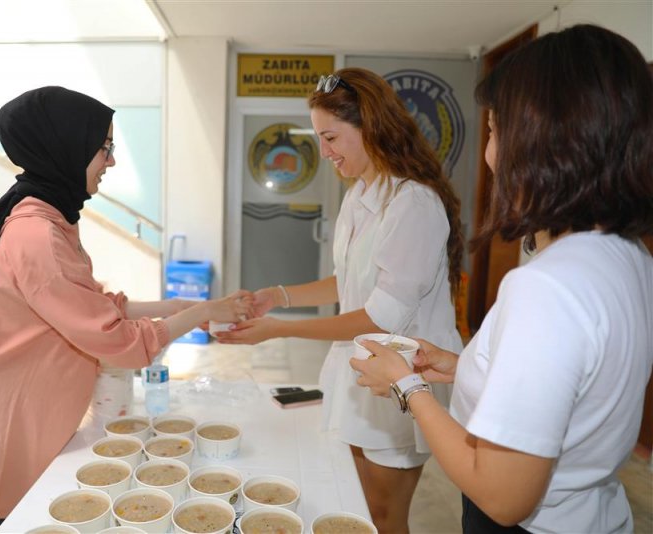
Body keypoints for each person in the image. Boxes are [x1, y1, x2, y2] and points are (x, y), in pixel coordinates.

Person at [351, 24, 653, 533]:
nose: (490, 155)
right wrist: (461, 364)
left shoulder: (547, 287)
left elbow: (504, 495)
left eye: (493, 132)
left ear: (540, 142)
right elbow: (574, 384)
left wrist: (408, 387)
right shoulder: (629, 256)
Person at [0, 86, 253, 533]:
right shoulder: (37, 235)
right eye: (103, 148)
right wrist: (201, 314)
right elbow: (119, 341)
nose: (111, 161)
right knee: (21, 521)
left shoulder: (48, 216)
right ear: (64, 146)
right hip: (12, 414)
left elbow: (96, 304)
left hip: (28, 404)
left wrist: (191, 306)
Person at [218, 67, 465, 532]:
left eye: (330, 137)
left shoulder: (413, 204)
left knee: (385, 516)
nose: (324, 152)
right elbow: (347, 281)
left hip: (399, 378)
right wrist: (279, 296)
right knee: (354, 506)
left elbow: (379, 314)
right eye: (319, 138)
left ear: (370, 126)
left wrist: (282, 328)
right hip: (360, 370)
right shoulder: (361, 193)